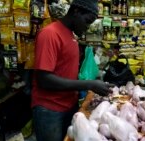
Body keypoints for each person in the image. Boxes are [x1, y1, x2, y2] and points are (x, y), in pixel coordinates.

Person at [31, 0, 114, 141]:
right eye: (87, 21)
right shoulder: (50, 34)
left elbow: (65, 71)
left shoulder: (70, 36)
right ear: (76, 12)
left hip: (68, 105)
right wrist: (89, 84)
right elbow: (44, 79)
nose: (87, 27)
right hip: (50, 110)